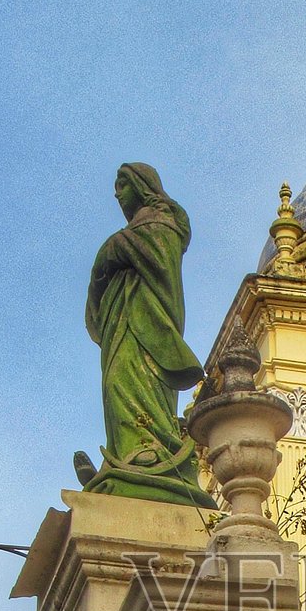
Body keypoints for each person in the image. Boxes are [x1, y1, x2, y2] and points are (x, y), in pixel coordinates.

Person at [75, 162, 215, 506]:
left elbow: (159, 264)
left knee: (130, 382)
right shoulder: (138, 233)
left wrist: (114, 248)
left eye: (122, 185)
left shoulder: (161, 225)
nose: (117, 194)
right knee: (115, 385)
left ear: (142, 186)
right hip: (122, 324)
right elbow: (105, 274)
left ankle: (150, 451)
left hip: (147, 326)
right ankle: (126, 454)